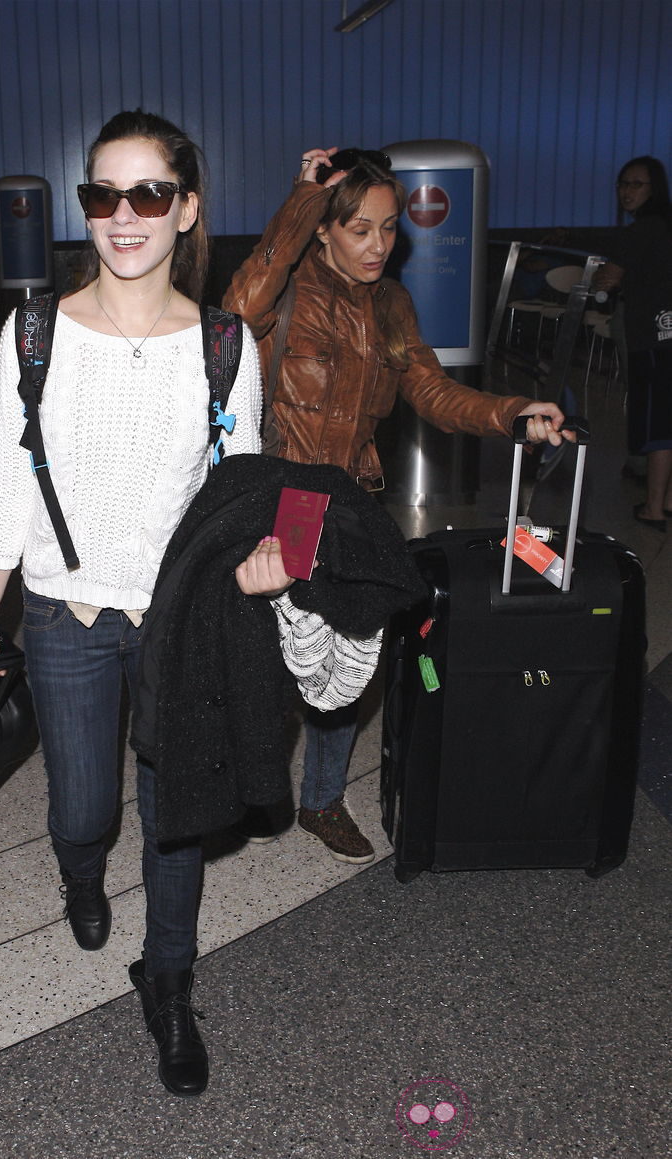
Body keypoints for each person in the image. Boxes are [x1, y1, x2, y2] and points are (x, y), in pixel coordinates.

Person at [0, 110, 263, 1098]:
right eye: (102, 194)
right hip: (60, 614)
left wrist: (262, 561)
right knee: (82, 807)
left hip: (178, 617)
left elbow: (239, 488)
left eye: (147, 194)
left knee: (174, 816)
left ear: (186, 210)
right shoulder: (37, 332)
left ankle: (166, 979)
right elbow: (7, 477)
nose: (121, 216)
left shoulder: (223, 344)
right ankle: (79, 873)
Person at [223, 145, 573, 863]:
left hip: (354, 500)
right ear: (323, 227)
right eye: (359, 229)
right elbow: (237, 308)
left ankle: (322, 799)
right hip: (286, 494)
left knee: (349, 659)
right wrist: (301, 198)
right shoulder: (285, 286)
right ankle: (252, 786)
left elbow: (434, 393)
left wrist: (513, 412)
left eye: (389, 228)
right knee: (269, 656)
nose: (379, 245)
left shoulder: (390, 304)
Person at [594, 155, 672, 531]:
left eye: (636, 184)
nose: (627, 191)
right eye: (623, 184)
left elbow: (607, 279)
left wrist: (602, 282)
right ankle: (668, 499)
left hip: (650, 334)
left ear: (653, 188)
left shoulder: (639, 232)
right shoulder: (664, 227)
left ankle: (654, 508)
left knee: (657, 422)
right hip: (668, 329)